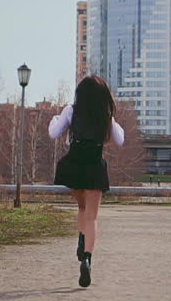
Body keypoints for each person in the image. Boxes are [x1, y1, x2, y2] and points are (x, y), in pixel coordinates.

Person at [49, 75, 124, 288]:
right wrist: (111, 120)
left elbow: (54, 132)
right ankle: (87, 258)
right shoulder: (105, 116)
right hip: (94, 165)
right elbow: (120, 139)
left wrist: (54, 119)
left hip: (73, 164)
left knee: (81, 207)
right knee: (91, 216)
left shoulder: (71, 111)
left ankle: (81, 239)